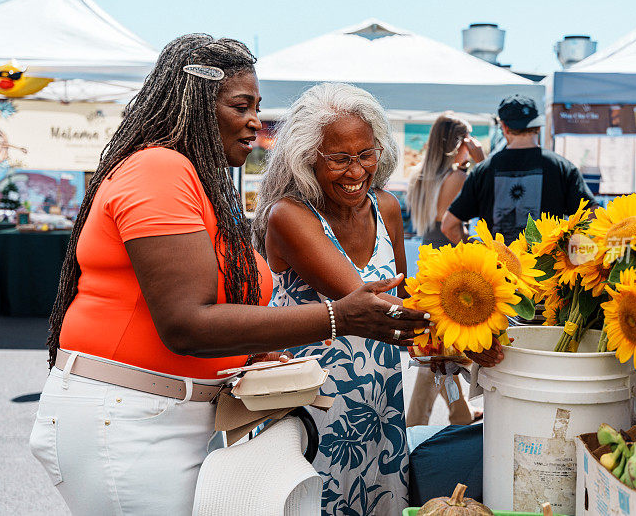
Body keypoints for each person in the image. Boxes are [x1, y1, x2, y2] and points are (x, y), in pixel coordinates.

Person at [29, 35, 429, 516]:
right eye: (241, 105)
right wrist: (334, 319)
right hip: (128, 419)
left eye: (257, 106)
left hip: (165, 416)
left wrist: (255, 351)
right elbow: (186, 324)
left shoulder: (194, 179)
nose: (256, 121)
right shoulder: (159, 168)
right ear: (195, 104)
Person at [254, 82, 417, 515]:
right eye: (340, 159)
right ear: (308, 158)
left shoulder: (388, 208)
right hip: (314, 409)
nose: (356, 171)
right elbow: (367, 306)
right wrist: (470, 319)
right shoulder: (290, 216)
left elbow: (404, 294)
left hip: (379, 405)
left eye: (366, 154)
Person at [405, 112, 484, 428]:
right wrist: (480, 164)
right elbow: (451, 225)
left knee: (439, 349)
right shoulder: (457, 178)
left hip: (428, 261)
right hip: (449, 266)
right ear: (459, 143)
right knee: (437, 354)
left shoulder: (421, 175)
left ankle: (458, 414)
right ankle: (417, 421)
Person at [441, 94, 598, 245]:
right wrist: (566, 248)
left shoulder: (483, 171)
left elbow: (449, 226)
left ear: (504, 127)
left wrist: (482, 252)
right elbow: (593, 215)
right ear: (537, 127)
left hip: (500, 269)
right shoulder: (562, 167)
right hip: (547, 270)